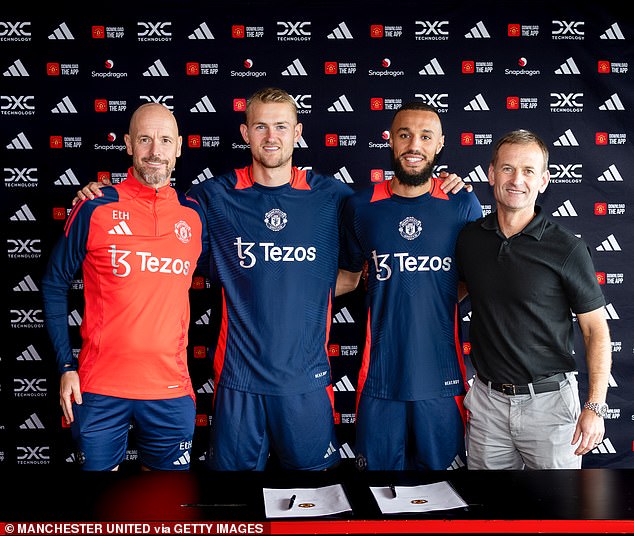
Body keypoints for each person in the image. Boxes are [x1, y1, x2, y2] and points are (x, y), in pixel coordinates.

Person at [74, 88, 467, 471]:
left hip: (306, 382)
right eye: (260, 127)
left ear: (297, 133)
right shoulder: (211, 197)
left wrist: (444, 185)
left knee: (318, 501)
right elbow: (153, 217)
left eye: (281, 126)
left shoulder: (335, 197)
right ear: (246, 134)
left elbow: (375, 245)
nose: (271, 136)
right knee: (232, 504)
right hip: (238, 382)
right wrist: (99, 196)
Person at [41, 103, 208, 471]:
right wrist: (65, 366)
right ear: (129, 144)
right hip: (99, 387)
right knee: (103, 515)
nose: (155, 151)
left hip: (171, 389)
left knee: (165, 509)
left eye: (165, 140)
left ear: (179, 147)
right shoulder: (94, 206)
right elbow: (54, 284)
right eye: (145, 139)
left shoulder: (194, 215)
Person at [456, 129, 612, 470]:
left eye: (528, 171)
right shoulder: (470, 239)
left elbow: (595, 331)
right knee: (489, 516)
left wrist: (595, 407)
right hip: (487, 404)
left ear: (543, 180)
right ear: (491, 174)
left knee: (559, 515)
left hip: (551, 407)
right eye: (508, 168)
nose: (517, 180)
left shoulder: (567, 248)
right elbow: (453, 291)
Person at [339, 101, 482, 471]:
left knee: (447, 496)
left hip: (441, 376)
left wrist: (431, 293)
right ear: (391, 141)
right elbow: (351, 277)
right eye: (404, 135)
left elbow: (472, 279)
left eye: (424, 136)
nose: (413, 144)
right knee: (377, 496)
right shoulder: (360, 206)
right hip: (380, 377)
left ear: (439, 145)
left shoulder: (462, 204)